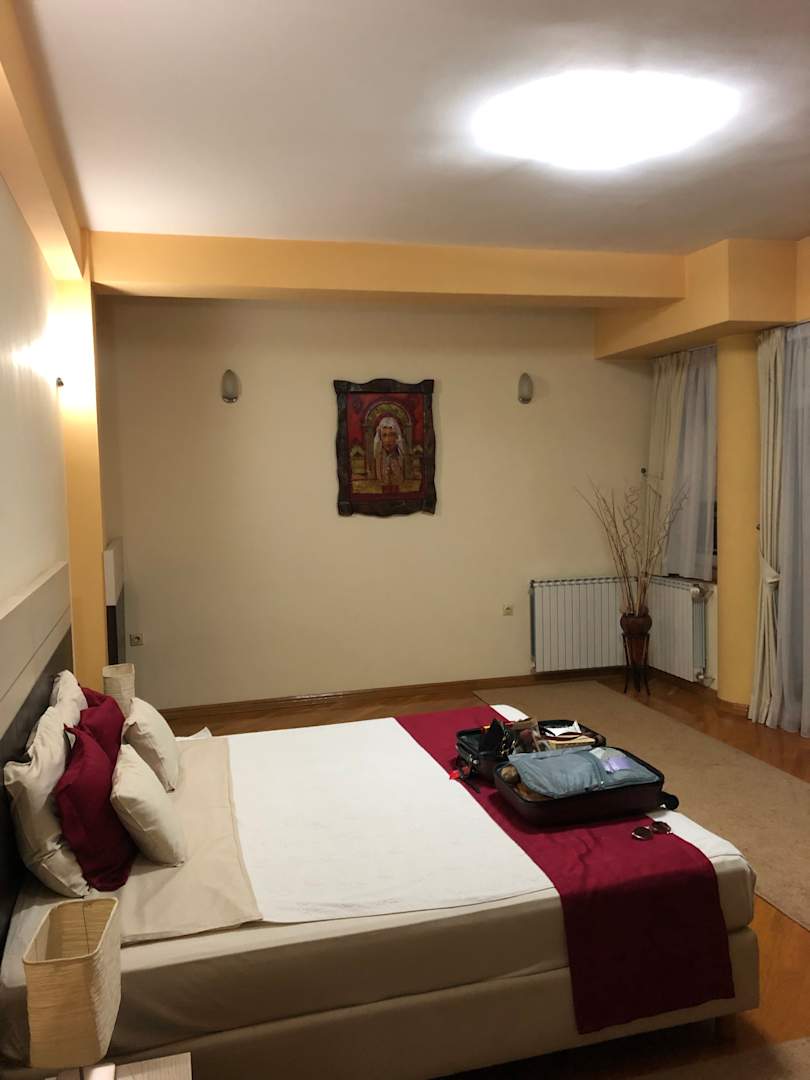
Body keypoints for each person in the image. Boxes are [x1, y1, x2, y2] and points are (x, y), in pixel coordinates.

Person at [372, 416, 408, 488]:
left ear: (397, 436)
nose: (388, 440)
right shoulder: (378, 456)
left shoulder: (401, 455)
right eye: (384, 435)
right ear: (380, 437)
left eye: (391, 435)